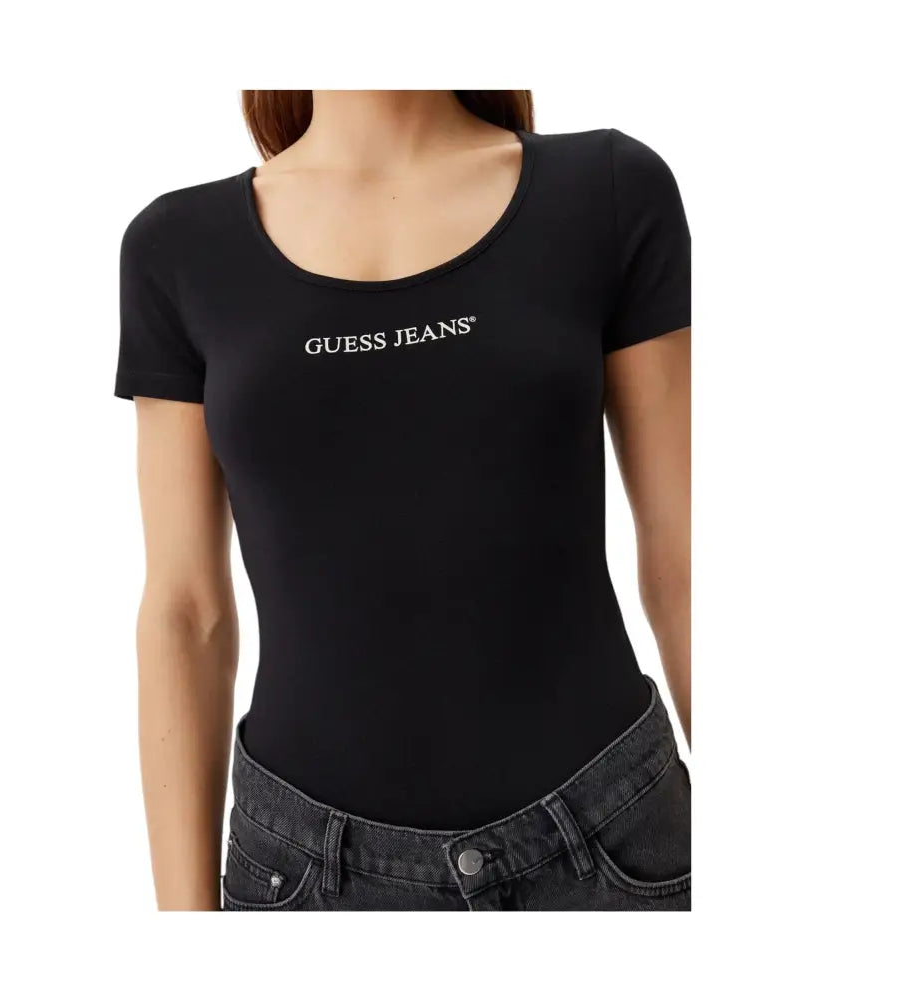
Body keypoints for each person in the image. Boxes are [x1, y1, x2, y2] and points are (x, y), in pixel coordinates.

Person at [115, 89, 691, 911]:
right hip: (306, 877)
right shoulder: (178, 247)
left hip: (614, 846)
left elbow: (687, 561)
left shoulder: (606, 189)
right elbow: (186, 612)